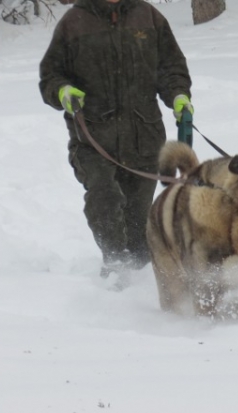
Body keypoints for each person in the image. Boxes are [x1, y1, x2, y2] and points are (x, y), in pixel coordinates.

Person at [39, 0, 193, 287]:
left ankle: (140, 280)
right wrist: (62, 91)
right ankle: (115, 264)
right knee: (104, 197)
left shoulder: (149, 16)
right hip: (93, 138)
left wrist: (179, 95)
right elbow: (51, 75)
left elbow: (171, 67)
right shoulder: (74, 21)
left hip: (144, 137)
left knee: (139, 215)